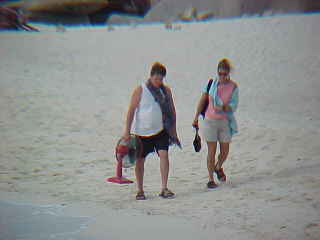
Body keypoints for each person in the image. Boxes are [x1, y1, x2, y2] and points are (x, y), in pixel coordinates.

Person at [123, 62, 181, 200]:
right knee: (140, 161)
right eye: (156, 79)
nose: (158, 82)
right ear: (151, 76)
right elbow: (131, 111)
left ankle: (164, 188)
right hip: (141, 133)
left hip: (161, 130)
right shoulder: (140, 90)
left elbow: (172, 111)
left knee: (164, 156)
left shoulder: (166, 91)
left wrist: (173, 130)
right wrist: (127, 131)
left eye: (161, 79)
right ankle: (140, 190)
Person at [192, 58, 239, 188]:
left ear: (228, 73)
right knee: (211, 150)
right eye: (220, 73)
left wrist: (223, 108)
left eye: (224, 74)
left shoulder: (233, 86)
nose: (222, 76)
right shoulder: (211, 84)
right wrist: (196, 117)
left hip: (224, 121)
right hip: (209, 120)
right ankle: (210, 179)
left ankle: (218, 167)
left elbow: (234, 105)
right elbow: (202, 100)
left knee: (225, 150)